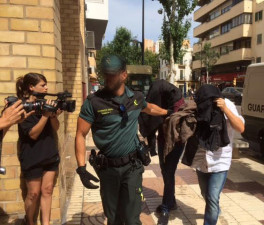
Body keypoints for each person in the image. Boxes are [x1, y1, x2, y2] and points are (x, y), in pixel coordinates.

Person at [75, 55, 170, 225]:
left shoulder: (136, 97)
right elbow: (80, 135)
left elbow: (149, 109)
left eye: (112, 74)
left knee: (132, 219)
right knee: (114, 219)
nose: (107, 78)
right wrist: (81, 168)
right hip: (108, 169)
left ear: (123, 75)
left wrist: (167, 112)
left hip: (132, 167)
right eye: (105, 74)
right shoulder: (94, 102)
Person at [186, 84, 244, 225]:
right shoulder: (198, 105)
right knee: (205, 194)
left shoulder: (227, 104)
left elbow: (241, 127)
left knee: (212, 198)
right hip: (202, 160)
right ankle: (215, 209)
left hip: (220, 161)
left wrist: (224, 109)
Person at [16, 73, 62, 225]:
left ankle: (46, 223)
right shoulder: (23, 107)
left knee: (47, 190)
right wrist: (45, 116)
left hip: (49, 154)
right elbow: (33, 134)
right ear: (31, 87)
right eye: (43, 85)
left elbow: (56, 128)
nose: (46, 88)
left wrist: (53, 115)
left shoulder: (45, 104)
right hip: (32, 157)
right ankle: (29, 222)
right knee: (33, 194)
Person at [138, 79, 185, 225]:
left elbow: (176, 123)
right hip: (163, 141)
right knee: (165, 172)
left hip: (175, 144)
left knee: (169, 173)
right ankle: (172, 202)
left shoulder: (178, 102)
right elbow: (149, 112)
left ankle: (165, 209)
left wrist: (164, 115)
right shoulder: (163, 102)